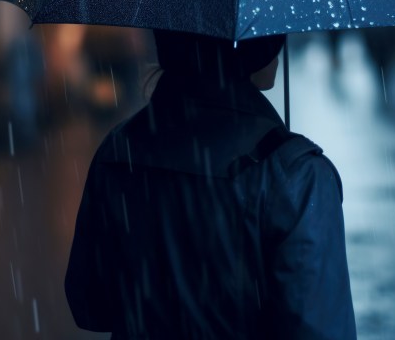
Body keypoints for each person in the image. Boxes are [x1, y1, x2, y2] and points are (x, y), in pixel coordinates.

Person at [65, 30, 356, 339]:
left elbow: (90, 306)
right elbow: (321, 329)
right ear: (255, 47)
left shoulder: (118, 152)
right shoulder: (296, 175)